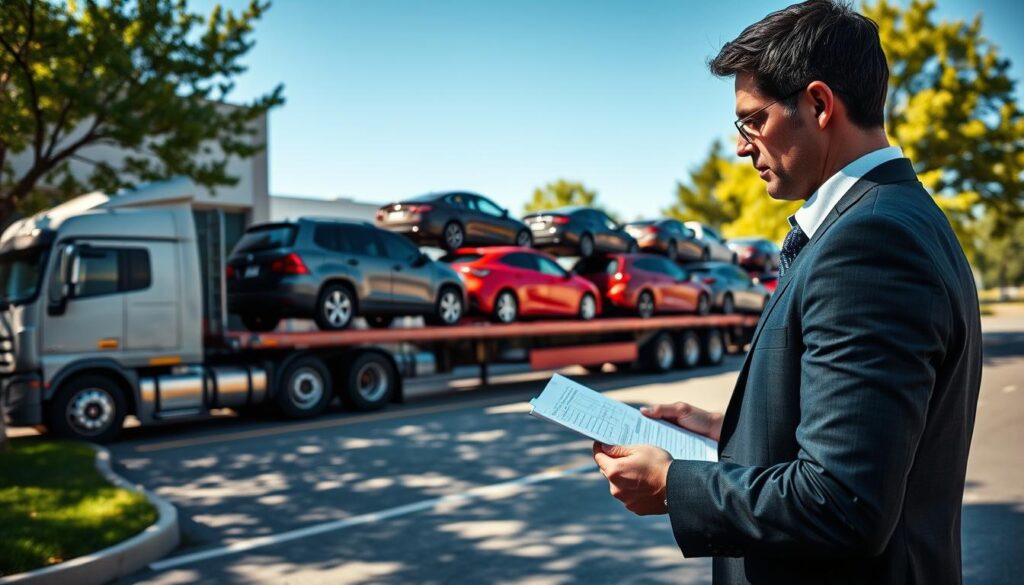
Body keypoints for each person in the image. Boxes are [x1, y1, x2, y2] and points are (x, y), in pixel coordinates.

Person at [591, 1, 982, 583]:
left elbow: (843, 504)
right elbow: (862, 436)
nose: (743, 146)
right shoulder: (901, 215)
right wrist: (734, 435)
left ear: (820, 104)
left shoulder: (870, 243)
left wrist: (675, 484)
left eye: (753, 120)